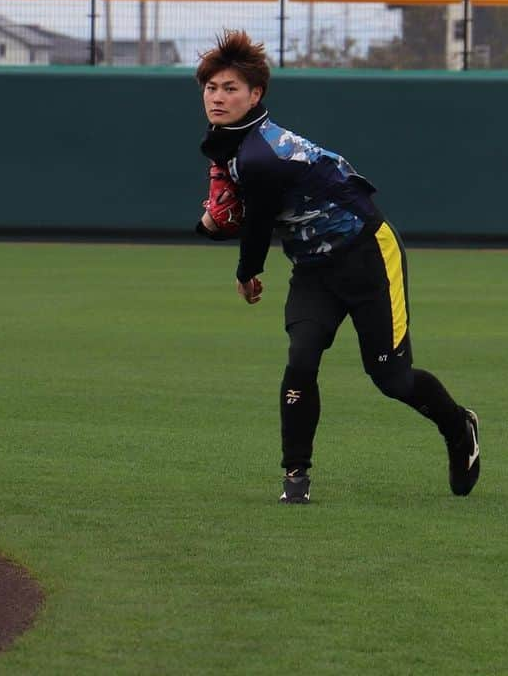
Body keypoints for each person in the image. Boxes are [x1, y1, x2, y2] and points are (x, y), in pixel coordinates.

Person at [195, 29, 480, 505]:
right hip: (313, 267)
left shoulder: (261, 152)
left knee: (392, 380)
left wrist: (245, 271)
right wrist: (214, 221)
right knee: (302, 358)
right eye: (212, 88)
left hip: (367, 254)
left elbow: (259, 219)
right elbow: (244, 202)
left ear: (255, 94)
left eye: (231, 89)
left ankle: (459, 426)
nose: (219, 97)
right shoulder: (235, 142)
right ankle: (295, 476)